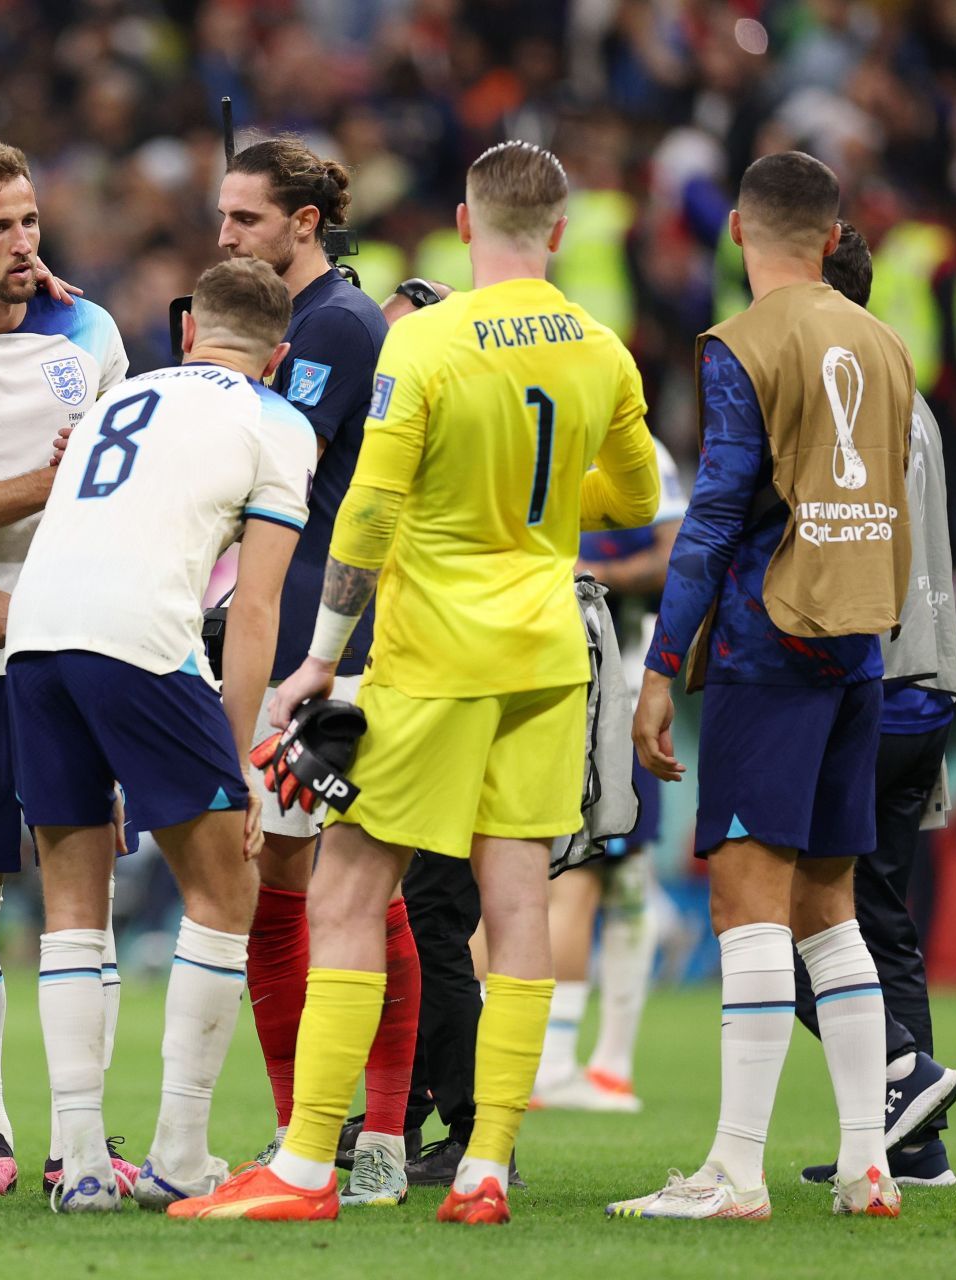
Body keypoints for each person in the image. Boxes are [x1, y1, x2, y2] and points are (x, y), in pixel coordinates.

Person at [180, 139, 659, 1224]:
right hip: (546, 653)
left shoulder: (427, 342)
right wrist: (525, 518)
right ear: (562, 230)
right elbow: (629, 497)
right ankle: (486, 1161)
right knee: (518, 899)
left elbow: (371, 511)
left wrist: (316, 656)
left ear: (462, 220)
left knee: (347, 890)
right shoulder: (603, 349)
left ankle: (307, 1162)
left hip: (434, 652)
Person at [611, 152, 916, 1222]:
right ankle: (868, 1160)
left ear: (736, 228)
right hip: (860, 645)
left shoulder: (742, 344)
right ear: (835, 239)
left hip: (770, 640)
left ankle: (734, 1173)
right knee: (831, 909)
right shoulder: (886, 342)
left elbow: (713, 516)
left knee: (749, 901)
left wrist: (660, 666)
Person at [15, 256, 308, 1213]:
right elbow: (256, 609)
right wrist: (237, 762)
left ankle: (82, 1164)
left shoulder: (121, 397)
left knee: (71, 898)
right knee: (227, 885)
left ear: (189, 332)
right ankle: (183, 1152)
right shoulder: (276, 420)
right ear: (282, 355)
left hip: (36, 636)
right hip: (140, 639)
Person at [0, 137, 131, 1196]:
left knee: (80, 897)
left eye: (30, 221)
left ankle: (80, 1138)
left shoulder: (89, 330)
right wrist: (49, 485)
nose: (20, 242)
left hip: (76, 646)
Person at [214, 137, 417, 1210]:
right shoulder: (315, 324)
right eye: (223, 217)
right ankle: (323, 1130)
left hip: (325, 653)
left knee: (341, 892)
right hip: (299, 641)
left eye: (246, 220)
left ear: (305, 223)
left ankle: (361, 1128)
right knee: (302, 890)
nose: (225, 237)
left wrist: (211, 378)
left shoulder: (336, 324)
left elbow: (272, 441)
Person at [794, 222, 956, 1188]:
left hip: (876, 676)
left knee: (786, 910)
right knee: (878, 917)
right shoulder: (911, 385)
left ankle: (903, 1070)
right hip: (930, 676)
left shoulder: (849, 394)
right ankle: (916, 1142)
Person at [532, 439, 687, 1113]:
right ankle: (553, 1063)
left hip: (614, 679)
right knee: (580, 876)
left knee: (623, 877)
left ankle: (608, 1065)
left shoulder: (640, 453)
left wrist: (595, 572)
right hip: (572, 688)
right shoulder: (554, 435)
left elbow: (675, 554)